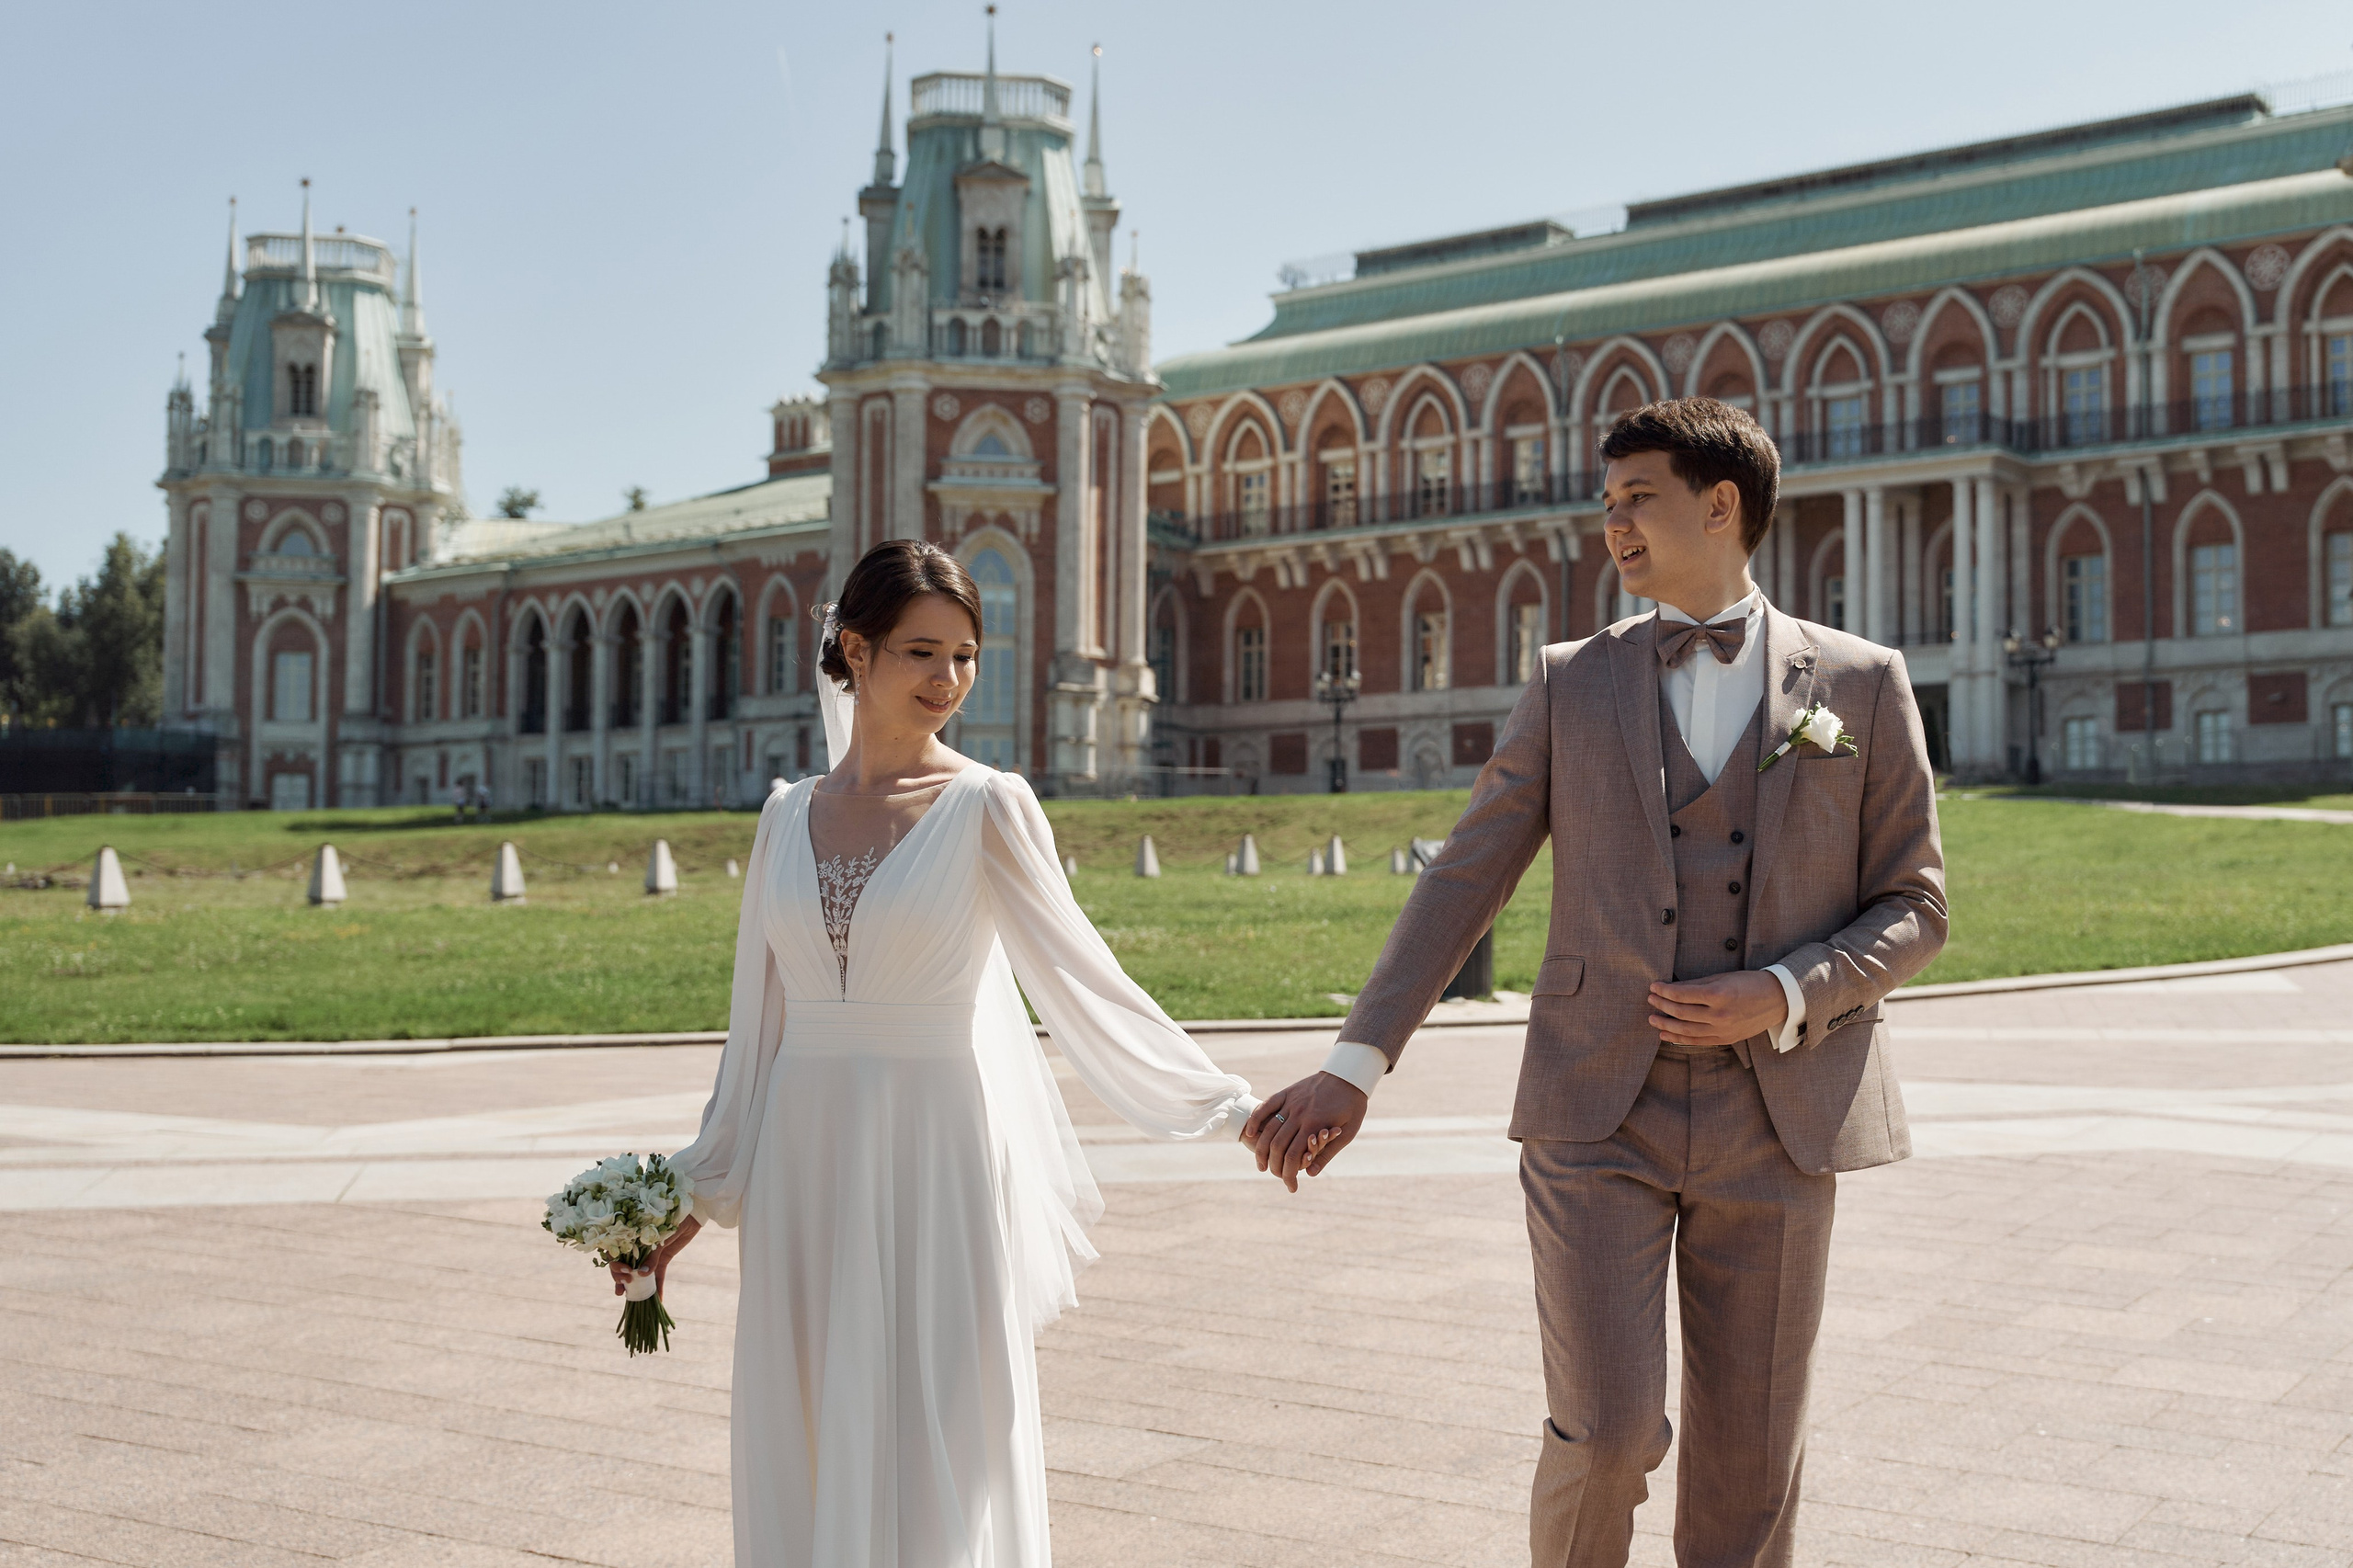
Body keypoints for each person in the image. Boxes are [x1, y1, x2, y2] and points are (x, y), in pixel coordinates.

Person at [1247, 398, 1948, 1568]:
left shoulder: (1863, 683)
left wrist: (1779, 988)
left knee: (1750, 1459)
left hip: (1780, 1118)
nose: (1611, 523)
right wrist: (1352, 1064)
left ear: (1720, 507)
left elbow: (1916, 906)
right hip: (1594, 1110)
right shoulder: (1572, 681)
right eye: (1606, 501)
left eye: (1638, 499)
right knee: (1609, 1427)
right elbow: (1464, 876)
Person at [631, 539, 1257, 1566]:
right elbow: (758, 1034)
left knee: (944, 1425)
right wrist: (686, 1200)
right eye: (921, 652)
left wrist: (1226, 1104)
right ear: (853, 649)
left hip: (939, 1159)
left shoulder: (988, 805)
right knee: (810, 1415)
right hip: (803, 1168)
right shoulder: (785, 815)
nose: (947, 679)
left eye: (966, 655)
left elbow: (1085, 981)